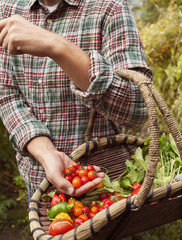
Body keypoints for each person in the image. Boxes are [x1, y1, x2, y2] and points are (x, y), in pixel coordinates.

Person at [0, 0, 152, 199]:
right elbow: (7, 95)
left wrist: (57, 46)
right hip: (39, 183)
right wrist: (46, 153)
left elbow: (138, 109)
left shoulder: (110, 7)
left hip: (105, 184)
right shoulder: (7, 8)